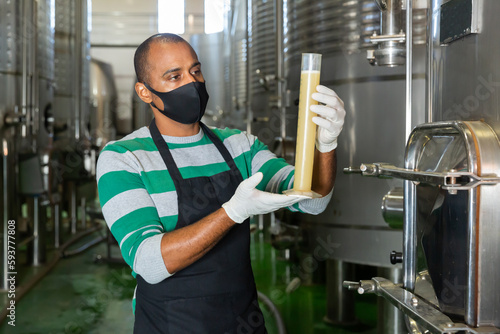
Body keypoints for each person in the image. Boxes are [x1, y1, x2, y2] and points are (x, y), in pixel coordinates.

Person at [96, 33, 345, 334]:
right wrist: (232, 212)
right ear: (144, 91)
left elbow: (313, 200)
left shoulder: (239, 145)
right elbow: (149, 261)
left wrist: (326, 144)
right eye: (174, 77)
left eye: (195, 71)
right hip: (169, 325)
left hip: (241, 322)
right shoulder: (123, 158)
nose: (191, 84)